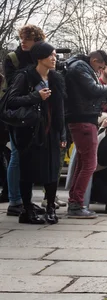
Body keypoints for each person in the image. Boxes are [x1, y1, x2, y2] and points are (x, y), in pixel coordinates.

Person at [6, 42, 66, 224]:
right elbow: (11, 100)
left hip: (51, 130)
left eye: (55, 55)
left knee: (52, 169)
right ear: (40, 58)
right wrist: (35, 97)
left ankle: (50, 208)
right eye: (51, 56)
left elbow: (60, 108)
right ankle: (27, 210)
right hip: (29, 131)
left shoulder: (56, 78)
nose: (55, 59)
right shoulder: (24, 77)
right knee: (27, 171)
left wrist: (62, 133)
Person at [65, 50, 107, 218]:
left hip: (82, 118)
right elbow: (92, 89)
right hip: (84, 119)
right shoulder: (80, 67)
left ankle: (75, 201)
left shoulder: (78, 66)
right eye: (100, 67)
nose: (100, 71)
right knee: (89, 164)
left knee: (83, 163)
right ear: (94, 60)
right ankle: (76, 204)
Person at [3, 25, 48, 217]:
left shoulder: (42, 57)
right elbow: (15, 88)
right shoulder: (13, 58)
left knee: (29, 157)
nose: (23, 41)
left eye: (28, 38)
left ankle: (26, 201)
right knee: (16, 155)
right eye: (22, 38)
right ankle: (15, 200)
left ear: (37, 40)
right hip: (19, 113)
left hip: (37, 113)